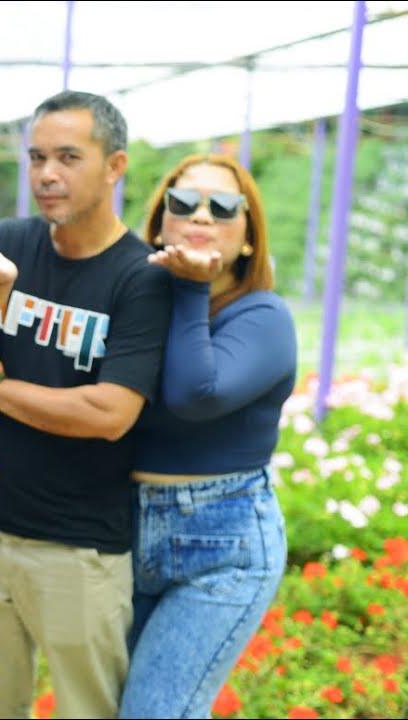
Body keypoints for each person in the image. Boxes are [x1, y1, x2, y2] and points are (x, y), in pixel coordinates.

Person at [0, 90, 172, 719]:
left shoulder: (142, 276)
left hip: (79, 551)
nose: (46, 174)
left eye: (68, 157)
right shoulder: (8, 242)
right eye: (37, 157)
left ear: (114, 166)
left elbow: (108, 414)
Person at [119, 154, 293, 718]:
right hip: (121, 528)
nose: (201, 215)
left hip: (224, 544)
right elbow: (63, 367)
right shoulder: (134, 303)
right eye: (183, 202)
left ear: (248, 237)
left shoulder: (264, 316)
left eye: (222, 207)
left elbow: (196, 394)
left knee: (154, 712)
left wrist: (193, 287)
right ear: (158, 223)